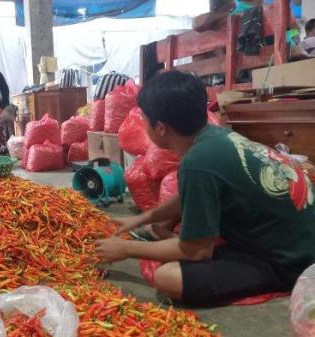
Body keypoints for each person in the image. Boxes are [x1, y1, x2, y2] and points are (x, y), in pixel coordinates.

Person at [95, 71, 315, 306]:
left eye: (144, 120)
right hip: (298, 238)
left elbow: (198, 252)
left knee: (167, 277)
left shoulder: (197, 164)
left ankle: (276, 277)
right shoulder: (216, 135)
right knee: (160, 231)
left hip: (289, 261)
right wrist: (141, 219)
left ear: (160, 128)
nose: (142, 124)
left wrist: (127, 249)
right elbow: (189, 197)